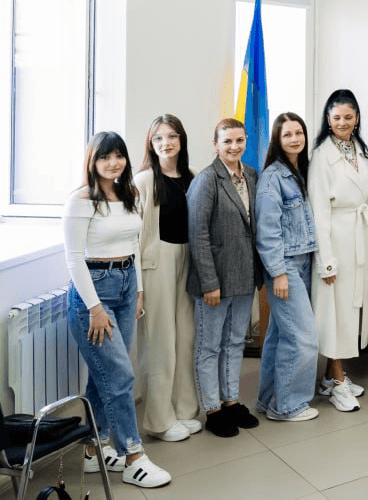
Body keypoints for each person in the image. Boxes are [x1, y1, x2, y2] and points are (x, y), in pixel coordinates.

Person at [65, 131, 172, 487]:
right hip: (93, 293)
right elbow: (74, 259)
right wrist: (95, 308)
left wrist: (137, 291)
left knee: (105, 375)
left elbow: (133, 245)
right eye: (105, 157)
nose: (113, 163)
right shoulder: (81, 200)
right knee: (121, 376)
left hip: (126, 285)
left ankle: (93, 449)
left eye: (119, 156)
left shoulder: (130, 194)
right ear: (92, 161)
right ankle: (133, 456)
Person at [187, 118, 263, 437]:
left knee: (234, 343)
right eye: (227, 141)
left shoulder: (252, 176)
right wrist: (209, 283)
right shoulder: (207, 180)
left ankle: (230, 401)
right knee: (209, 346)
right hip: (215, 281)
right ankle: (213, 409)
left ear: (246, 141)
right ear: (215, 144)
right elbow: (198, 235)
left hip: (244, 276)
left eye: (239, 140)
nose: (234, 147)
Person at [133, 114, 201, 442]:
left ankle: (184, 409)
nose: (166, 143)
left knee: (185, 337)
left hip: (188, 258)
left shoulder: (193, 177)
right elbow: (133, 237)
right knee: (161, 341)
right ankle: (160, 420)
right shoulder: (144, 180)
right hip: (156, 262)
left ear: (181, 139)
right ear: (151, 143)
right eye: (158, 138)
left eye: (172, 136)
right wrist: (138, 287)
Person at [310, 89, 368, 412]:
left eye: (348, 117)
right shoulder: (321, 156)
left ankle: (330, 377)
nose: (342, 122)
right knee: (334, 311)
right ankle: (338, 382)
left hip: (359, 235)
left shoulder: (360, 151)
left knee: (351, 309)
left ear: (357, 118)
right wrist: (326, 260)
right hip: (335, 239)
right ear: (328, 119)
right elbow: (319, 212)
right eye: (336, 117)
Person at [254, 112, 321, 422]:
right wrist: (278, 272)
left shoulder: (302, 172)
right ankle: (289, 405)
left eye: (299, 133)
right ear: (277, 140)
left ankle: (268, 399)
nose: (295, 139)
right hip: (285, 266)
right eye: (288, 135)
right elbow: (267, 231)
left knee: (279, 335)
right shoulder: (272, 178)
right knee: (303, 338)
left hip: (305, 260)